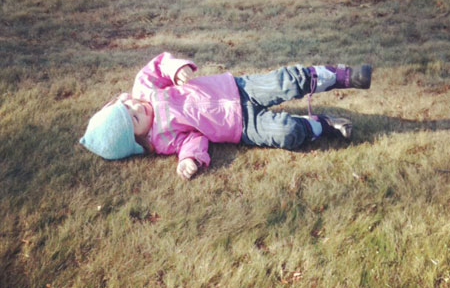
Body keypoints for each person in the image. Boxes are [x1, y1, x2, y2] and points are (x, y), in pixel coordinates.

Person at [80, 53, 372, 180]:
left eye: (128, 107)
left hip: (238, 88)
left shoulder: (146, 89)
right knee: (287, 133)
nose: (137, 109)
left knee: (287, 81)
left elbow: (158, 65)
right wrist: (189, 159)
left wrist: (175, 69)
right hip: (241, 127)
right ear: (139, 139)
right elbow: (192, 141)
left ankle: (344, 76)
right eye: (134, 119)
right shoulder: (162, 139)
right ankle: (322, 126)